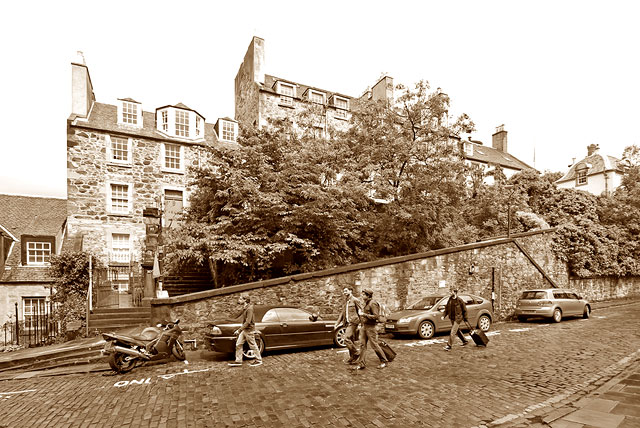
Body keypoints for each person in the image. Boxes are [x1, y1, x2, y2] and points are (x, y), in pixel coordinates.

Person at [353, 289, 389, 370]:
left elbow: (376, 316)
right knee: (362, 345)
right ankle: (361, 363)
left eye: (363, 294)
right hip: (364, 327)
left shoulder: (373, 303)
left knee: (374, 345)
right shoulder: (366, 303)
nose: (361, 296)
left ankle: (384, 361)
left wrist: (363, 314)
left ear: (368, 295)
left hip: (371, 327)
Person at [228, 294, 263, 367]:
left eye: (240, 299)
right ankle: (238, 361)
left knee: (253, 345)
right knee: (238, 344)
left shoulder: (249, 309)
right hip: (245, 330)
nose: (239, 300)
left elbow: (248, 322)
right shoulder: (245, 308)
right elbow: (237, 316)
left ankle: (259, 360)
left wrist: (239, 330)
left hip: (249, 330)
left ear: (245, 300)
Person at [335, 287, 362, 364]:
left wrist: (360, 324)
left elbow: (360, 312)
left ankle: (356, 353)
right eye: (344, 291)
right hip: (347, 323)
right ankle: (352, 357)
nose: (344, 292)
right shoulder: (346, 301)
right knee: (351, 340)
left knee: (346, 338)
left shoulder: (355, 300)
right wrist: (337, 323)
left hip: (353, 322)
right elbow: (342, 313)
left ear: (351, 291)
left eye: (346, 291)